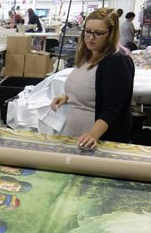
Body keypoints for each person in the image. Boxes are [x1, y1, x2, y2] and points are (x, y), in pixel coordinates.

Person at [50, 8, 135, 149]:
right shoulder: (87, 54)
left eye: (98, 33)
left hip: (100, 142)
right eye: (87, 31)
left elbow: (112, 108)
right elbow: (90, 85)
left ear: (111, 34)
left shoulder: (117, 61)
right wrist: (68, 95)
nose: (90, 37)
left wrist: (92, 134)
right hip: (77, 137)